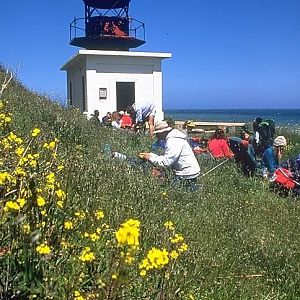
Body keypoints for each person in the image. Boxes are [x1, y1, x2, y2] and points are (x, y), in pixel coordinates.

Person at [139, 121, 201, 191]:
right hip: (189, 171)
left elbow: (166, 162)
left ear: (162, 132)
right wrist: (151, 155)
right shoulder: (174, 138)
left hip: (186, 173)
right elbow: (168, 158)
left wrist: (150, 157)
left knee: (171, 190)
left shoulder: (173, 141)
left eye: (157, 134)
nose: (157, 136)